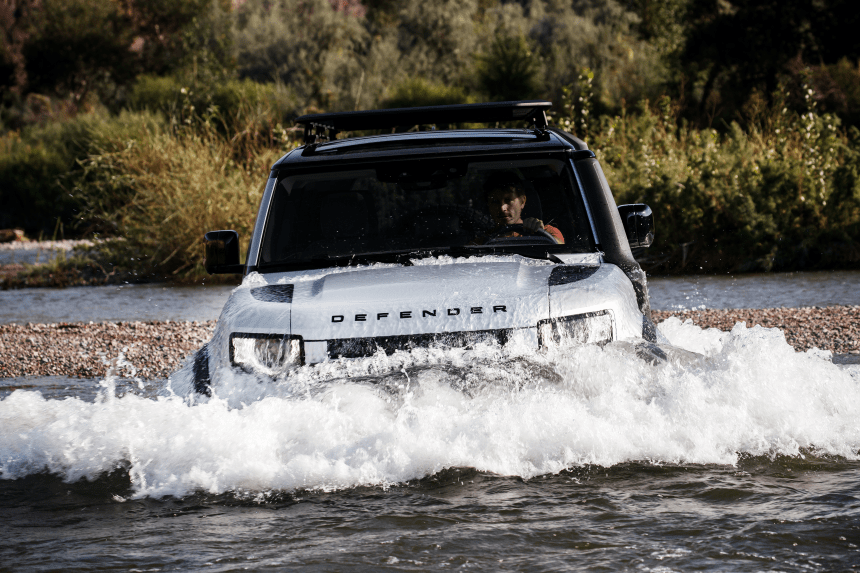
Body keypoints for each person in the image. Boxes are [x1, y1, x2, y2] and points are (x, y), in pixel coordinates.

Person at [479, 173, 564, 244]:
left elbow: (560, 249)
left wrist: (539, 235)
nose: (502, 208)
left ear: (522, 201)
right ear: (488, 205)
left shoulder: (547, 232)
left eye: (509, 200)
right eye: (495, 202)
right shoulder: (483, 241)